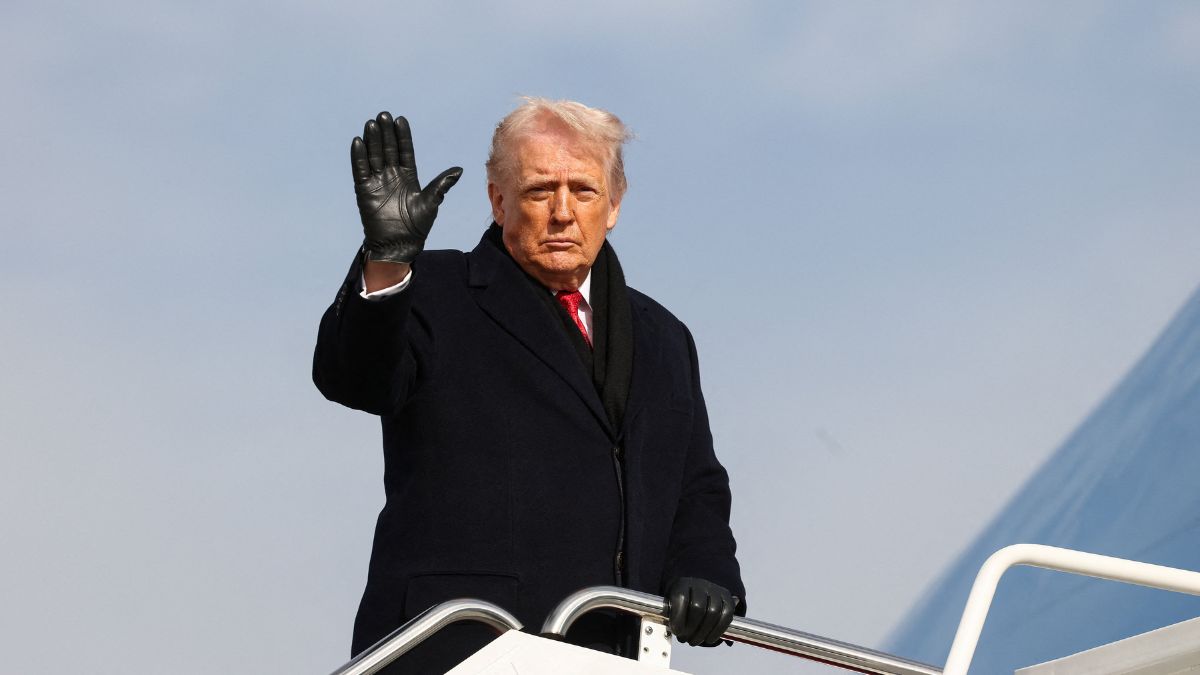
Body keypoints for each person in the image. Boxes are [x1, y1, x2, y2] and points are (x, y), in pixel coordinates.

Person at [314, 98, 745, 673]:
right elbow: (355, 379)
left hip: (614, 655)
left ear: (615, 204)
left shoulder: (664, 336)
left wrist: (706, 572)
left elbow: (696, 485)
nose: (563, 212)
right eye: (541, 190)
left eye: (584, 190)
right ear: (498, 201)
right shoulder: (433, 292)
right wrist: (389, 262)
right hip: (459, 648)